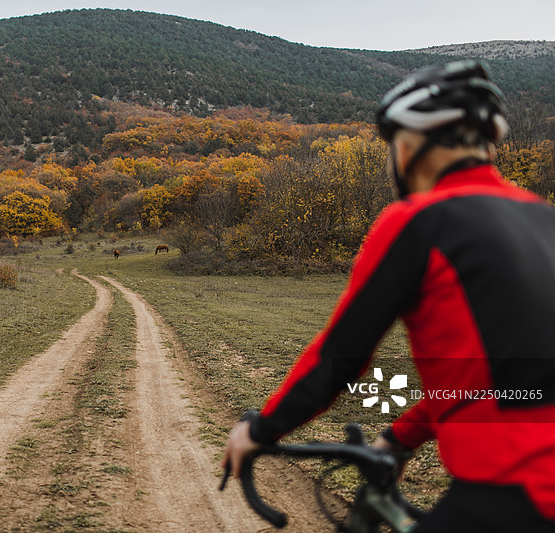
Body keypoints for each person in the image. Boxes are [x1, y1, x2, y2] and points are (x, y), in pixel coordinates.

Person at [222, 60, 555, 532]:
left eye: (391, 145)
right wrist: (400, 438)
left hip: (516, 496)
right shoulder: (544, 219)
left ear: (411, 144)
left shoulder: (418, 221)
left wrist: (259, 430)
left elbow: (339, 360)